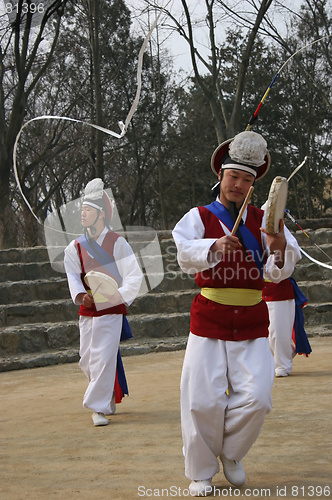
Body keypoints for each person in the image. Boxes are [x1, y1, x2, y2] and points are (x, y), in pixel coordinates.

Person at [172, 131, 301, 496]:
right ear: (220, 176)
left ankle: (231, 453)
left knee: (258, 397)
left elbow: (281, 270)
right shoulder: (199, 216)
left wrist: (276, 248)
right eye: (233, 176)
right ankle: (200, 471)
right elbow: (183, 252)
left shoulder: (264, 219)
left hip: (251, 320)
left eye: (247, 179)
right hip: (210, 315)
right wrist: (214, 245)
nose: (238, 184)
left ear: (253, 185)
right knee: (201, 398)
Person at [64, 178, 143, 426]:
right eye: (82, 210)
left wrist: (118, 295)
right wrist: (81, 295)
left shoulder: (118, 243)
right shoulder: (74, 247)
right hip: (88, 310)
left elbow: (134, 275)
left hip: (111, 309)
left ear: (100, 215)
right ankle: (106, 392)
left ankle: (96, 408)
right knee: (86, 359)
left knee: (104, 356)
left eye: (87, 210)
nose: (83, 214)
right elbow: (73, 277)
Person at [263, 277, 311, 377]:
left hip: (279, 290)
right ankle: (286, 352)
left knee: (277, 332)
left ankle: (283, 365)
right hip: (258, 291)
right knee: (263, 334)